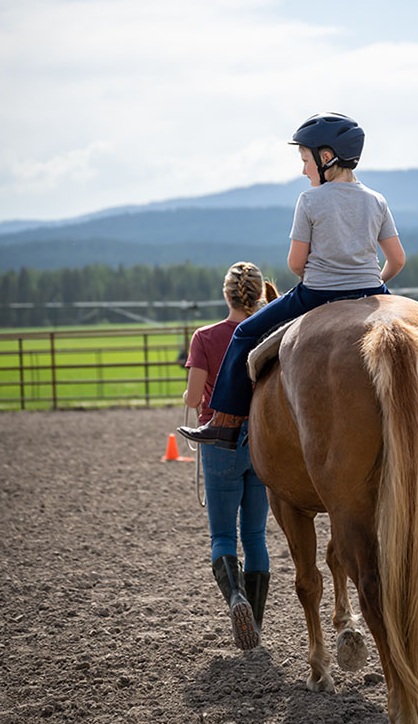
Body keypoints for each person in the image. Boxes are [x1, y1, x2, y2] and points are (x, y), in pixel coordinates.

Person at [178, 112, 418, 449]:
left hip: (317, 294)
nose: (303, 170)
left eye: (305, 160)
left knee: (245, 333)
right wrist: (373, 285)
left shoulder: (309, 200)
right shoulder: (376, 200)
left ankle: (224, 423)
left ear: (326, 158)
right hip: (371, 292)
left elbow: (296, 264)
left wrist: (323, 273)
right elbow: (397, 259)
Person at [180, 261, 277, 651]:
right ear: (259, 294)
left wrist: (195, 399)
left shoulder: (204, 337)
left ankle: (235, 599)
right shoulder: (270, 333)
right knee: (255, 536)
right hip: (261, 441)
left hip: (219, 442)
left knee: (223, 535)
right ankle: (253, 621)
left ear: (226, 294)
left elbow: (192, 396)